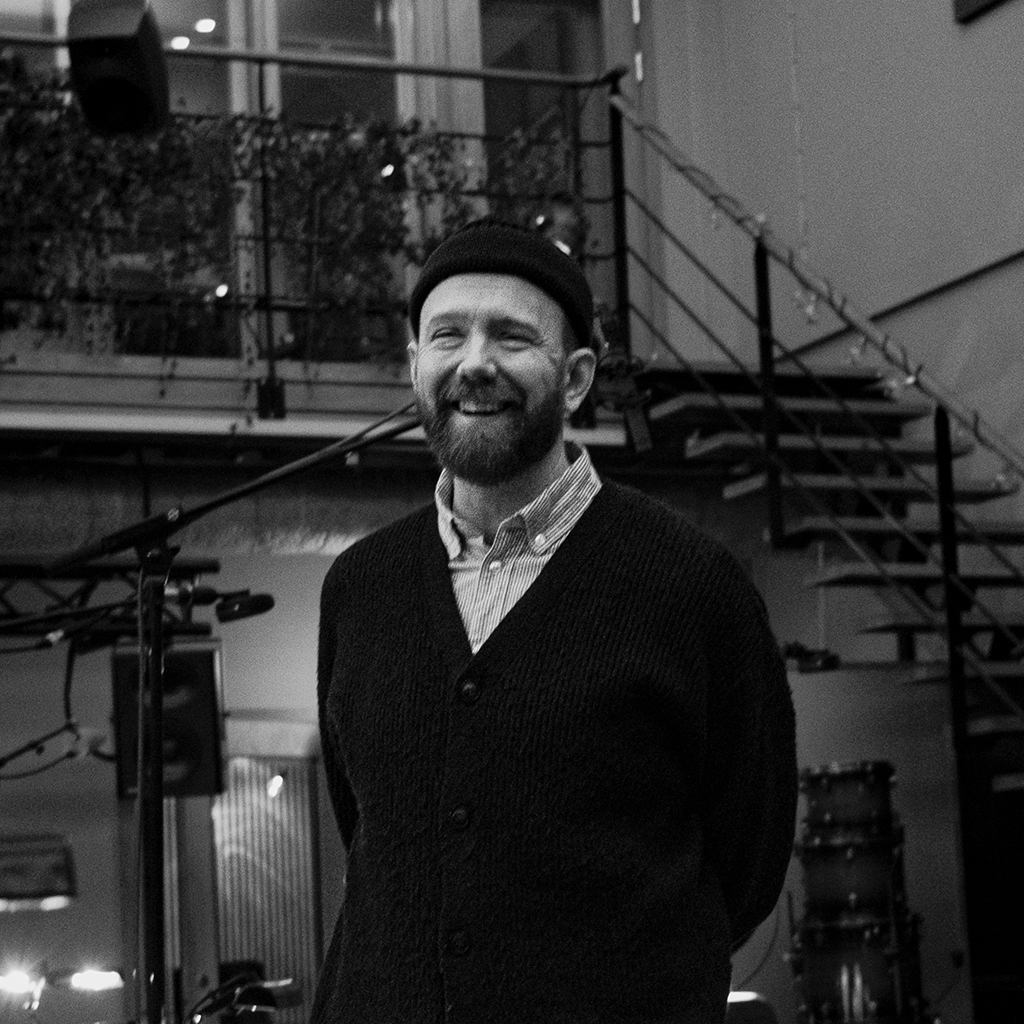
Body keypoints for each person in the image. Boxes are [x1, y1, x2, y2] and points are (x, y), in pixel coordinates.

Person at [312, 219, 798, 1024]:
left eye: (510, 336)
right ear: (416, 366)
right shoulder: (359, 588)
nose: (474, 362)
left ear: (574, 381)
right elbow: (370, 827)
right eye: (447, 336)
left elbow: (746, 860)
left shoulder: (691, 585)